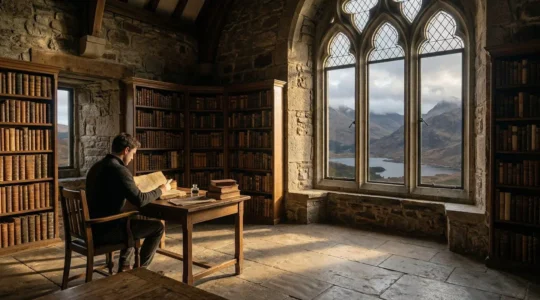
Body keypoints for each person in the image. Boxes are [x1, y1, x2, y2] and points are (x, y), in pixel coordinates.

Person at [85, 133, 170, 271]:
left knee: (131, 218)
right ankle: (140, 270)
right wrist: (162, 190)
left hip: (92, 227)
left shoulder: (96, 167)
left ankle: (124, 265)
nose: (132, 158)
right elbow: (140, 200)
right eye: (133, 153)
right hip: (106, 230)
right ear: (126, 150)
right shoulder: (119, 170)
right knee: (158, 227)